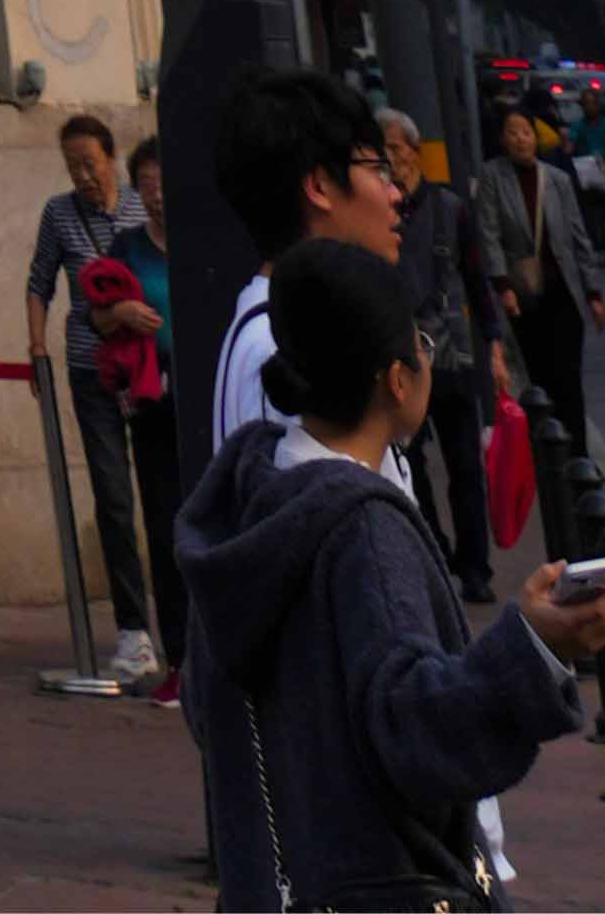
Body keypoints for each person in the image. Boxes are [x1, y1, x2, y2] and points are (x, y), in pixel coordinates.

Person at [174, 234, 605, 913]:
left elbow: (211, 707)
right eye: (422, 347)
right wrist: (536, 646)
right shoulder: (364, 530)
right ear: (397, 378)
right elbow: (415, 728)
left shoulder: (250, 494)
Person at [211, 68, 416, 452]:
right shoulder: (284, 348)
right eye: (378, 171)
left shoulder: (288, 324)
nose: (395, 195)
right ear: (319, 187)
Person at [29, 108, 163, 686]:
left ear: (111, 158)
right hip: (92, 372)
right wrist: (35, 348)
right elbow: (38, 284)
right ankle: (134, 629)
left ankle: (180, 620)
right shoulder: (59, 214)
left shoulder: (142, 207)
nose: (82, 175)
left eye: (90, 162)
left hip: (150, 372)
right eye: (72, 166)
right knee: (112, 497)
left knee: (162, 492)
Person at [80, 143, 187, 682]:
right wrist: (120, 311)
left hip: (204, 399)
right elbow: (94, 314)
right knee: (165, 524)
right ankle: (180, 653)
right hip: (153, 403)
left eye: (166, 186)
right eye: (148, 188)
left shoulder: (205, 243)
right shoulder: (127, 246)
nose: (159, 198)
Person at [471, 92, 605, 472]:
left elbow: (579, 238)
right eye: (512, 132)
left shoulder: (558, 180)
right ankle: (544, 458)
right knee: (538, 378)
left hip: (564, 293)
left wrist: (593, 292)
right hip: (523, 298)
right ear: (503, 138)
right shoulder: (493, 178)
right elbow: (490, 234)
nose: (519, 139)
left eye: (525, 132)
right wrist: (503, 286)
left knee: (569, 380)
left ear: (536, 136)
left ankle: (579, 459)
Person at [393, 134, 500, 601]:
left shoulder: (451, 208)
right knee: (407, 464)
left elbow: (477, 280)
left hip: (452, 356)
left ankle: (476, 568)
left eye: (396, 148)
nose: (390, 159)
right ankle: (435, 552)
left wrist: (493, 345)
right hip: (400, 358)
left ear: (415, 150)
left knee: (465, 469)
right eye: (382, 150)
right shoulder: (379, 210)